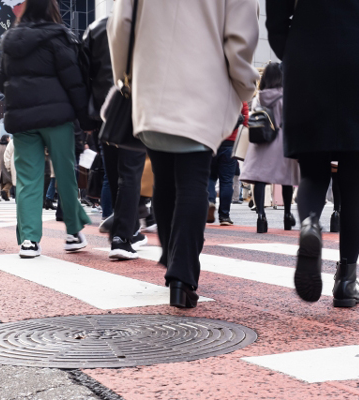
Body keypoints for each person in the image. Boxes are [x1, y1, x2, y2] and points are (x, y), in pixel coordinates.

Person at [109, 0, 260, 307]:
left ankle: (170, 253)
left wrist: (124, 76)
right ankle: (183, 275)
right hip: (203, 89)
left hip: (151, 86)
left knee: (164, 180)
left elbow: (121, 23)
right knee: (193, 181)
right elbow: (239, 39)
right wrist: (245, 86)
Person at [267, 0, 359, 308]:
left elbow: (277, 12)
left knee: (313, 170)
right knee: (354, 178)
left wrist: (289, 51)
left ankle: (310, 224)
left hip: (307, 54)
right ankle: (346, 281)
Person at [0, 0, 92, 258]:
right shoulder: (59, 36)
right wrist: (86, 120)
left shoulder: (10, 40)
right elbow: (75, 82)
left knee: (28, 179)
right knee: (65, 174)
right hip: (57, 117)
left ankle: (29, 241)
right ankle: (73, 232)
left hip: (23, 120)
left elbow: (0, 81)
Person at [83, 13, 147, 260]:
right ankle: (122, 236)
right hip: (134, 106)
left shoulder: (96, 29)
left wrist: (87, 117)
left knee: (113, 174)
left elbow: (85, 74)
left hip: (104, 110)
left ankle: (124, 227)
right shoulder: (143, 24)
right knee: (130, 174)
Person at [240, 63, 300, 233]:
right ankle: (287, 215)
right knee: (286, 179)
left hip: (261, 140)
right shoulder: (286, 96)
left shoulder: (259, 97)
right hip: (281, 140)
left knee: (260, 179)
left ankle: (261, 217)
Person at [208, 102, 248, 226]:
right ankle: (224, 216)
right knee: (226, 181)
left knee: (210, 177)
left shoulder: (213, 92)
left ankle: (210, 202)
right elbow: (246, 120)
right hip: (230, 144)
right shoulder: (239, 96)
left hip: (212, 141)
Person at [0, 134, 13, 201]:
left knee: (2, 182)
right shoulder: (7, 147)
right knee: (10, 181)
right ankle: (5, 191)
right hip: (6, 166)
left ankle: (6, 196)